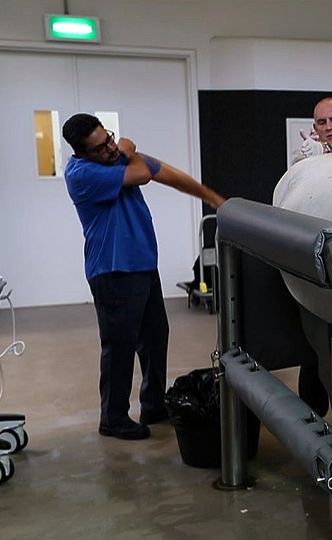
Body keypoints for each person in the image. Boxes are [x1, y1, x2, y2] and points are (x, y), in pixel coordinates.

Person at [62, 113, 226, 440]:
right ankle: (113, 417)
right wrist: (126, 148)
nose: (109, 148)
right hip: (113, 269)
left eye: (109, 138)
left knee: (154, 337)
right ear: (82, 153)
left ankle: (152, 404)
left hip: (142, 265)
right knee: (119, 346)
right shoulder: (82, 173)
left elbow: (167, 174)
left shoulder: (112, 159)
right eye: (100, 147)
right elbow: (142, 172)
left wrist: (212, 198)